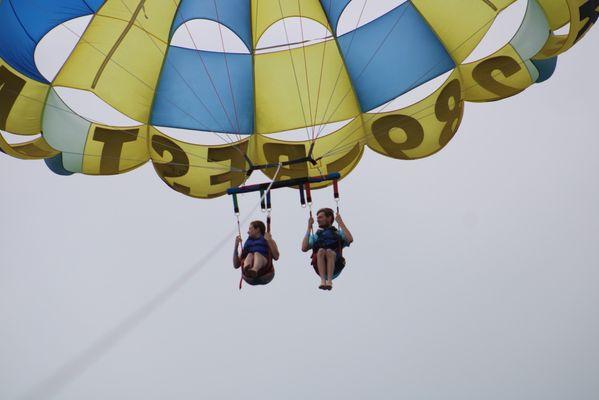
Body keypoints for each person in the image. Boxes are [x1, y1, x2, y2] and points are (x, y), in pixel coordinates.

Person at [301, 208, 353, 290]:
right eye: (317, 218)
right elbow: (304, 248)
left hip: (336, 266)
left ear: (329, 218)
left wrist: (340, 222)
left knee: (329, 251)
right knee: (321, 251)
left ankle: (329, 281)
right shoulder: (317, 235)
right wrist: (309, 227)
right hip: (320, 266)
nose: (318, 220)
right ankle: (322, 281)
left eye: (320, 217)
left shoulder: (337, 233)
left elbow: (350, 239)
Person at [233, 220, 280, 286]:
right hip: (249, 277)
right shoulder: (248, 244)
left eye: (250, 229)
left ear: (257, 229)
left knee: (257, 254)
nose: (247, 232)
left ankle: (255, 269)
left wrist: (269, 240)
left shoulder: (267, 239)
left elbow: (276, 256)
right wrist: (236, 247)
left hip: (265, 271)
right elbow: (236, 265)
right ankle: (248, 269)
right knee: (249, 255)